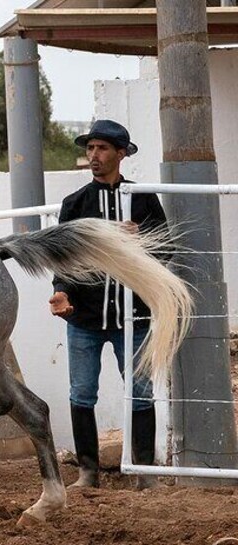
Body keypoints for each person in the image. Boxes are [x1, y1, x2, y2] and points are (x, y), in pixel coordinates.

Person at [49, 120, 166, 490]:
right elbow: (61, 260)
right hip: (84, 318)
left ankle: (145, 473)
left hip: (136, 317)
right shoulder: (75, 204)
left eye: (101, 148)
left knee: (140, 392)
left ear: (120, 154)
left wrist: (141, 240)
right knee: (82, 393)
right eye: (90, 148)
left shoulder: (143, 198)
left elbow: (167, 251)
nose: (94, 156)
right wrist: (62, 292)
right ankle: (88, 472)